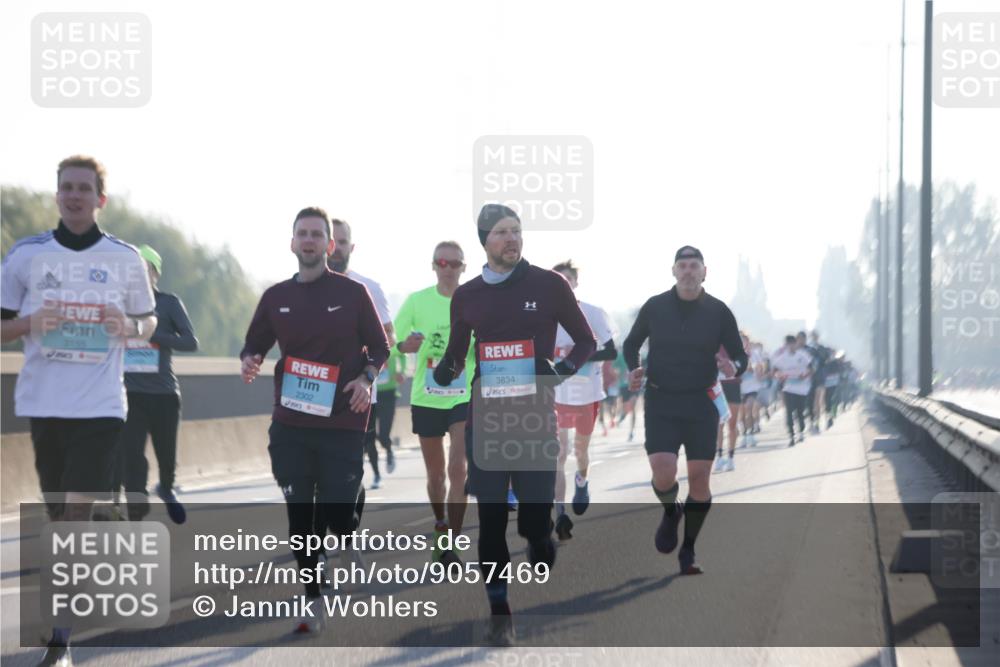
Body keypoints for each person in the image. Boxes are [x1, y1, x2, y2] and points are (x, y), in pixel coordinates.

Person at [1, 155, 158, 667]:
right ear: (57, 195)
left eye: (83, 188)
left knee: (73, 514)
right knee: (58, 516)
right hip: (45, 404)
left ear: (100, 199)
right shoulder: (26, 255)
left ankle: (60, 640)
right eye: (66, 187)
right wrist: (30, 323)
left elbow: (148, 322)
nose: (74, 195)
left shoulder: (124, 258)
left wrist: (126, 328)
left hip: (101, 405)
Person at [432, 204, 596, 645]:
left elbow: (586, 340)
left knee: (535, 527)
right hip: (486, 422)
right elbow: (456, 353)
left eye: (517, 231)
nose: (512, 239)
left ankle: (540, 539)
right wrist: (445, 371)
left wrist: (560, 370)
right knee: (489, 522)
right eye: (502, 232)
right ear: (484, 241)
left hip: (535, 420)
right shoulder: (467, 295)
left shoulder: (549, 284)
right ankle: (500, 612)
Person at [240, 207, 389, 634]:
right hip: (292, 422)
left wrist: (365, 379)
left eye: (316, 234)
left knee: (338, 518)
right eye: (302, 233)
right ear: (292, 243)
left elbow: (380, 348)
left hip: (342, 421)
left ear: (329, 244)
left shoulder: (353, 293)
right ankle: (312, 600)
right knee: (300, 515)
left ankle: (347, 532)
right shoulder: (276, 297)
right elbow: (254, 344)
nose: (309, 240)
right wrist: (250, 359)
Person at [623, 245, 746, 576]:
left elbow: (740, 354)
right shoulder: (655, 306)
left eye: (694, 266)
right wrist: (634, 368)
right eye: (683, 266)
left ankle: (688, 550)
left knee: (699, 479)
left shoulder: (719, 311)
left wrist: (733, 366)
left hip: (702, 403)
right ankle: (670, 510)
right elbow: (631, 344)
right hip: (661, 399)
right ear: (674, 271)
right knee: (663, 472)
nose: (689, 271)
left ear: (704, 272)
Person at [394, 241, 475, 565]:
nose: (448, 269)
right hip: (427, 397)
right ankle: (440, 524)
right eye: (442, 262)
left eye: (454, 263)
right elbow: (391, 341)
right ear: (433, 266)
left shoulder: (473, 301)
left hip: (463, 396)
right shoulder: (417, 301)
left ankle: (452, 542)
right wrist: (405, 346)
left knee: (458, 469)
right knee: (436, 475)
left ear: (463, 268)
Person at [118, 244, 199, 524]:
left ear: (155, 273)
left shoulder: (169, 303)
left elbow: (190, 342)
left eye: (144, 269)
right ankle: (136, 507)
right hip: (130, 393)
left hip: (164, 393)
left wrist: (153, 336)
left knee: (166, 457)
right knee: (132, 457)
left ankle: (166, 487)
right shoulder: (120, 304)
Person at [550, 260, 617, 541]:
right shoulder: (545, 315)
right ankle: (560, 512)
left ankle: (582, 479)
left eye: (568, 279)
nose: (563, 283)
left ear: (576, 283)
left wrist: (580, 356)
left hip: (587, 393)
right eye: (558, 279)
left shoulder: (593, 313)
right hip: (557, 394)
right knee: (558, 452)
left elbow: (611, 352)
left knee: (581, 451)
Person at [328, 218, 395, 490]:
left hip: (357, 392)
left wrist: (366, 374)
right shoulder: (302, 287)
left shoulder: (367, 288)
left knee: (348, 467)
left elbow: (388, 338)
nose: (337, 249)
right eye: (333, 242)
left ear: (351, 247)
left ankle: (349, 510)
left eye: (343, 242)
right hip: (316, 390)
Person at [772, 335, 813, 447]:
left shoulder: (803, 355)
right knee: (789, 411)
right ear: (785, 345)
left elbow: (811, 368)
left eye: (792, 344)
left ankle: (801, 432)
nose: (791, 346)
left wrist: (805, 375)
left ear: (796, 344)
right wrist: (779, 376)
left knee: (800, 412)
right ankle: (791, 435)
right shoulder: (782, 357)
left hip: (802, 388)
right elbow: (775, 371)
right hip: (788, 388)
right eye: (788, 344)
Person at [374, 347, 405, 473]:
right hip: (371, 395)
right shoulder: (367, 346)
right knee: (368, 434)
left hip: (389, 394)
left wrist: (401, 372)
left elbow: (403, 354)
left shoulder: (391, 347)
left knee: (384, 434)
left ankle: (389, 450)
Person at [713, 344, 742, 473]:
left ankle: (731, 457)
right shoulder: (711, 343)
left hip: (734, 385)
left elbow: (742, 363)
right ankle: (719, 456)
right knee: (719, 423)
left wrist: (731, 365)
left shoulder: (735, 343)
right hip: (718, 386)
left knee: (732, 424)